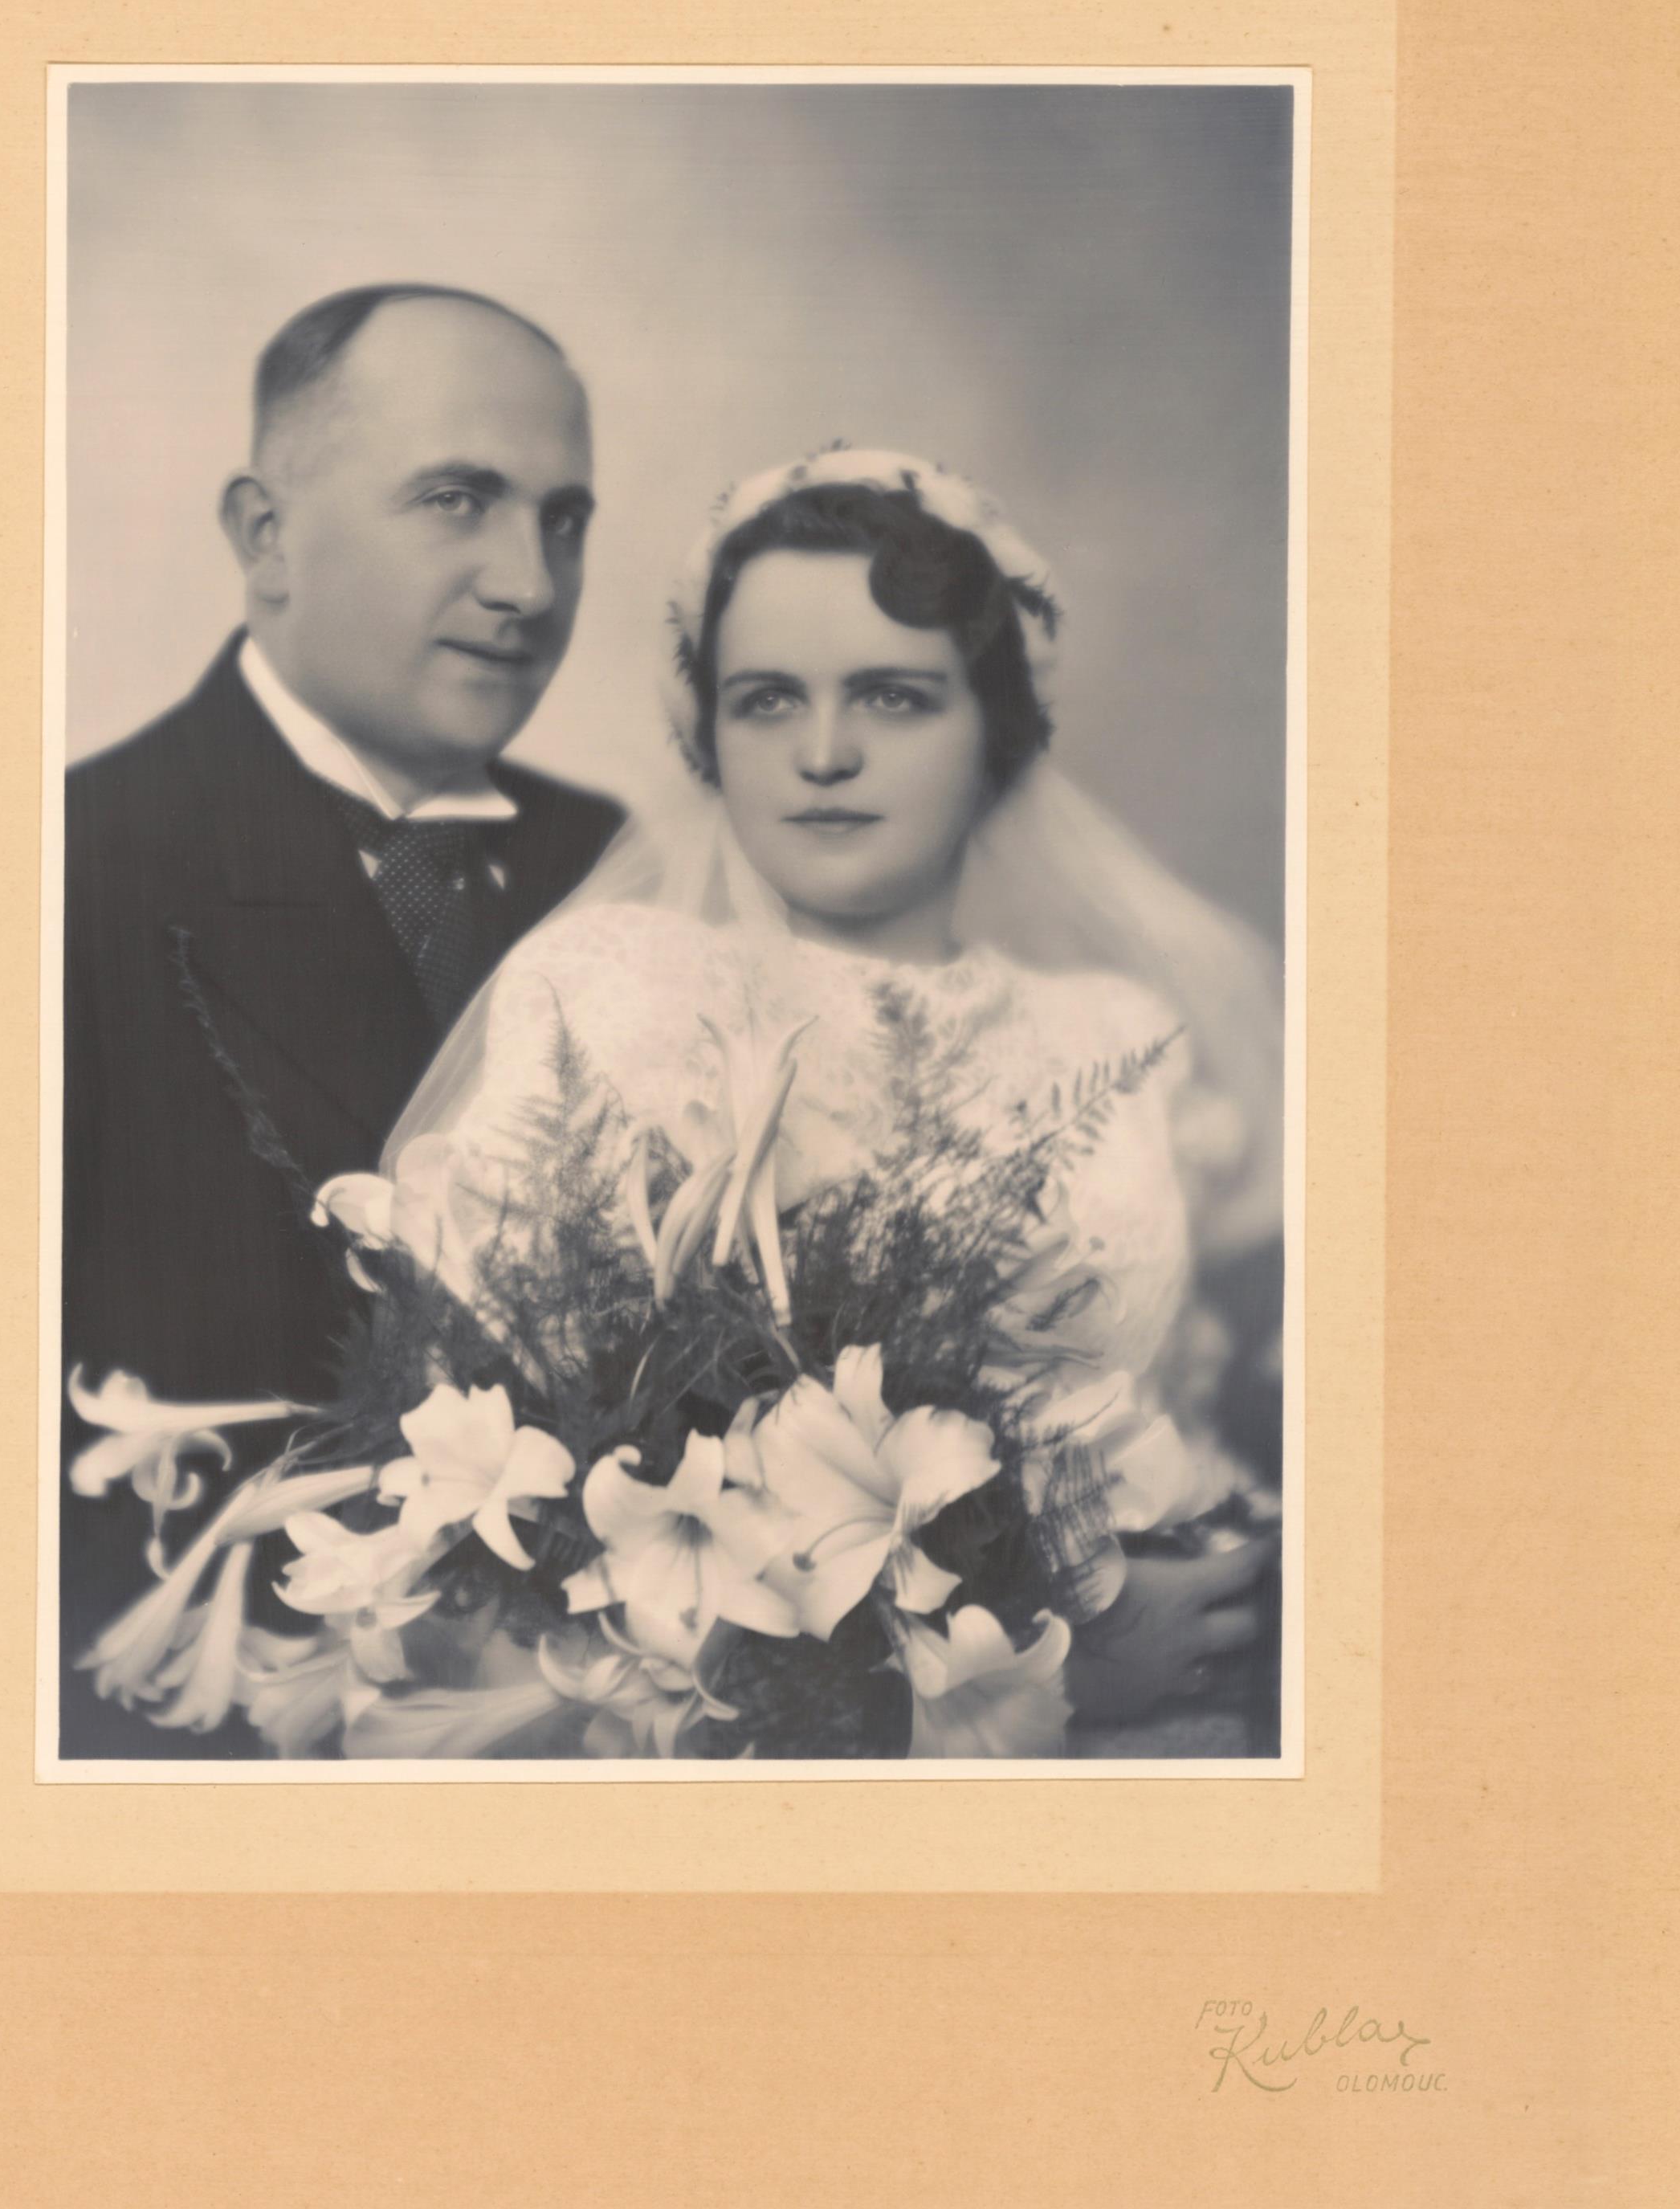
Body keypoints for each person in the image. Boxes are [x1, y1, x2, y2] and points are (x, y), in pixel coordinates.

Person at [386, 449, 1284, 1752]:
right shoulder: (615, 998)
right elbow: (529, 1552)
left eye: (892, 697)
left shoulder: (1118, 1034)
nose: (822, 755)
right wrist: (1049, 1665)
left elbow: (1195, 1416)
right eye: (765, 701)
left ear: (995, 729)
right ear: (710, 736)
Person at [61, 284, 623, 1749]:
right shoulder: (63, 874)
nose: (530, 583)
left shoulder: (624, 869)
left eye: (564, 520)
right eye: (457, 500)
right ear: (265, 537)